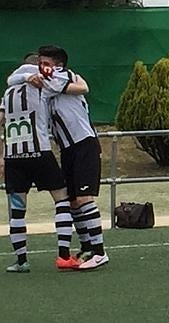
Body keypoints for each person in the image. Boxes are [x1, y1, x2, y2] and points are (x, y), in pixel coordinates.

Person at [1, 53, 88, 272]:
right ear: (37, 67)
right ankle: (64, 255)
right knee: (61, 199)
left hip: (14, 156)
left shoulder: (8, 91)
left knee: (17, 209)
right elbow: (77, 89)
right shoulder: (42, 84)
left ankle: (21, 261)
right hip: (40, 151)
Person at [37, 45, 108, 268]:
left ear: (57, 65)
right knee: (73, 201)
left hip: (83, 143)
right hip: (67, 148)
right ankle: (86, 248)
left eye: (44, 62)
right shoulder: (48, 81)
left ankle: (99, 251)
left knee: (85, 198)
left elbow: (81, 88)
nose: (40, 67)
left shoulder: (61, 75)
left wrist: (36, 77)